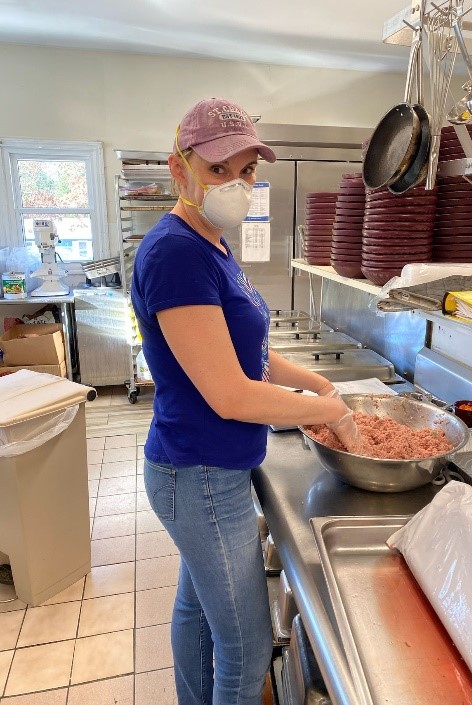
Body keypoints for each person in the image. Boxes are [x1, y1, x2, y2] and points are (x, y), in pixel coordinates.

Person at [131, 97, 357, 705]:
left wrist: (310, 382)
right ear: (180, 170)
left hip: (205, 469)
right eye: (219, 170)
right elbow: (230, 394)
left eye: (247, 170)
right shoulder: (177, 252)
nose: (238, 184)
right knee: (246, 647)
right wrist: (330, 413)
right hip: (199, 475)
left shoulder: (211, 244)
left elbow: (243, 354)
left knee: (198, 613)